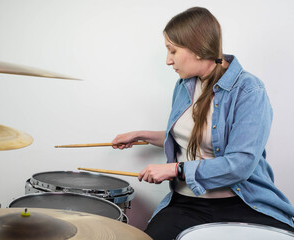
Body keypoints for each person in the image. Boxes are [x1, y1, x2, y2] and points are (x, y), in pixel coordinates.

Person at [112, 7, 294, 240]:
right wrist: (143, 135)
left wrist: (174, 170)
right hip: (187, 204)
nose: (168, 61)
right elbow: (192, 137)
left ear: (197, 49)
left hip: (242, 203)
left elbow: (240, 164)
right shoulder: (183, 85)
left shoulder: (249, 90)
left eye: (173, 51)